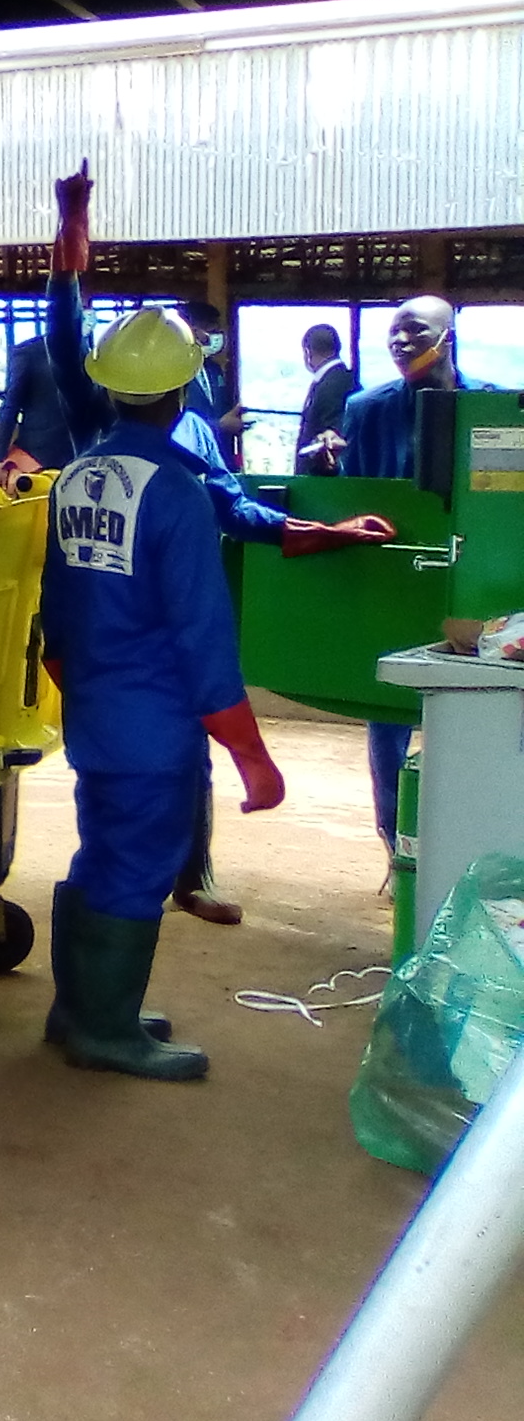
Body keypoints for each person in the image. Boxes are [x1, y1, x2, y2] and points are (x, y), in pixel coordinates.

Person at [40, 163, 393, 926]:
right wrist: (73, 224)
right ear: (187, 373)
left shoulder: (180, 442)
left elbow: (240, 510)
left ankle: (189, 873)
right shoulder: (106, 431)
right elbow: (64, 329)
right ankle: (118, 947)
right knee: (132, 810)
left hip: (121, 666)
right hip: (134, 659)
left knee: (159, 778)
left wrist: (327, 532)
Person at [42, 306, 285, 1080]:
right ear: (184, 389)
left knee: (100, 855)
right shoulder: (177, 490)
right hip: (153, 726)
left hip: (96, 715)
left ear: (108, 387)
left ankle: (78, 1007)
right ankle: (106, 1031)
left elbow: (57, 615)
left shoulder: (76, 477)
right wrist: (253, 759)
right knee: (139, 867)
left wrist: (87, 690)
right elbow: (203, 642)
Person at [317, 296, 495, 870]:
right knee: (388, 716)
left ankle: (468, 847)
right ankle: (400, 850)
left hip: (472, 586)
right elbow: (357, 498)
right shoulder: (367, 409)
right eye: (393, 332)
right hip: (396, 578)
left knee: (471, 712)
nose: (401, 342)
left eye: (414, 330)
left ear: (447, 337)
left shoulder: (493, 406)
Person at [0, 333, 74, 481]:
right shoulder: (29, 352)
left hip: (79, 454)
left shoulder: (89, 352)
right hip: (36, 456)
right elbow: (11, 405)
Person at [178, 299, 243, 466]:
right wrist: (218, 426)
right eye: (212, 331)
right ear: (192, 331)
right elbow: (174, 426)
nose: (218, 337)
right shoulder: (173, 373)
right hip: (188, 462)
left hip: (220, 461)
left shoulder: (213, 369)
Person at [294, 324, 353, 474]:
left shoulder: (331, 384)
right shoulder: (343, 378)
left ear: (308, 352)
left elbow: (331, 435)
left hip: (323, 478)